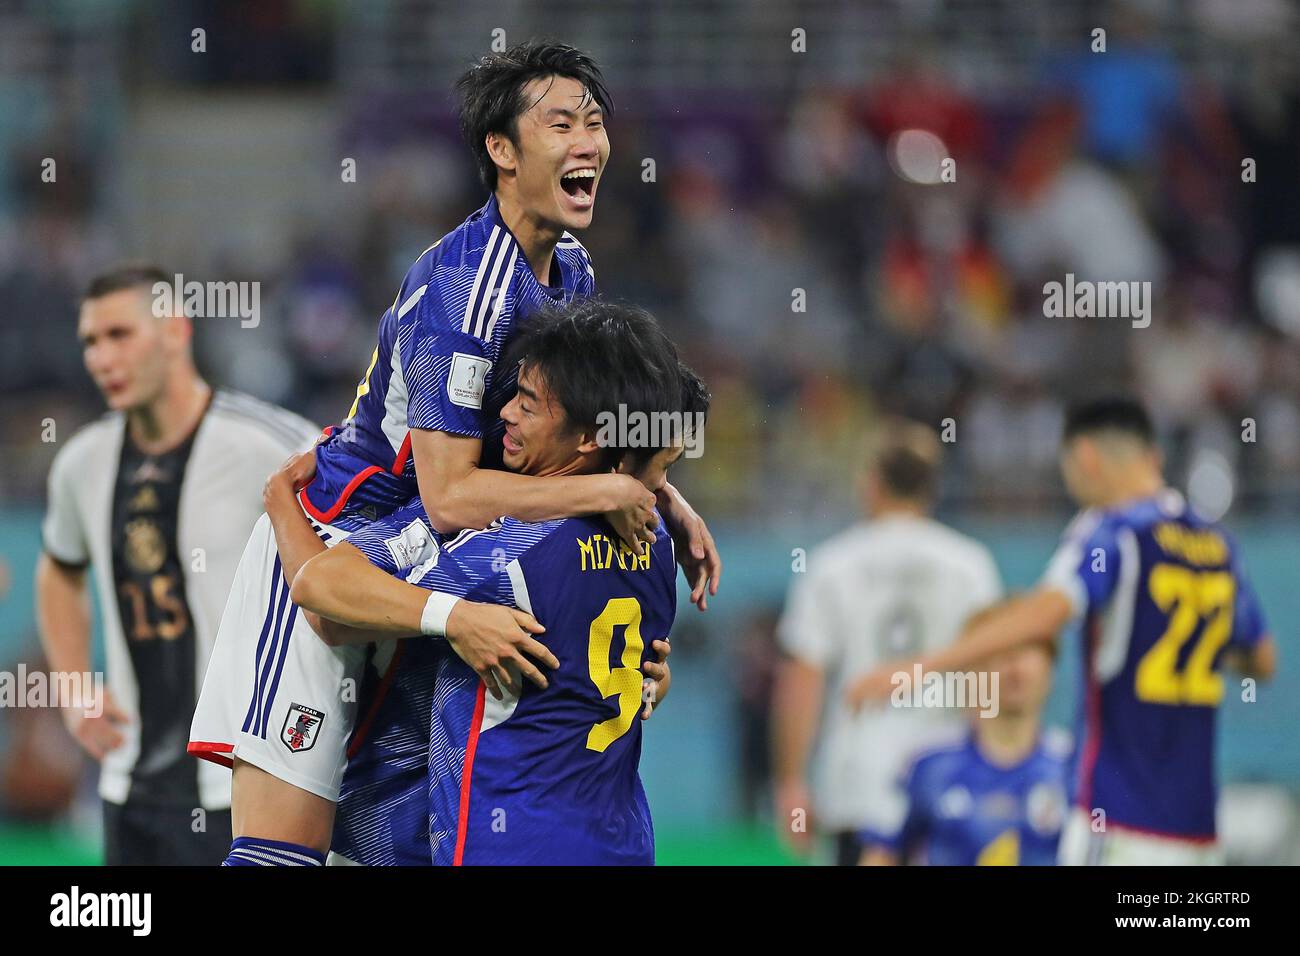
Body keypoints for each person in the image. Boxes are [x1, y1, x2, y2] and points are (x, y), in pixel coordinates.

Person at [189, 40, 720, 867]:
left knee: (395, 838)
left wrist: (667, 499)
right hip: (338, 545)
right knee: (281, 853)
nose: (589, 142)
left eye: (595, 123)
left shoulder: (571, 267)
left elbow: (592, 423)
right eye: (561, 123)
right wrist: (602, 494)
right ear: (501, 152)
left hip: (444, 558)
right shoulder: (461, 288)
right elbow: (448, 497)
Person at [262, 301, 704, 864]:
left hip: (512, 847)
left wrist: (281, 505)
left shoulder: (510, 546)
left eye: (528, 404)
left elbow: (322, 596)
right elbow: (637, 677)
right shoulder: (658, 542)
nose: (507, 417)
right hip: (622, 843)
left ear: (590, 437)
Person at [848, 397, 1278, 865]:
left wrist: (920, 668)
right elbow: (1262, 660)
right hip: (1196, 832)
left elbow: (1046, 614)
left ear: (1085, 457)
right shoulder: (1217, 545)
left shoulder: (1109, 532)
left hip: (1118, 821)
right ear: (1152, 457)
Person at [37, 263, 318, 865]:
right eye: (89, 341)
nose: (99, 358)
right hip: (128, 786)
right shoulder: (82, 464)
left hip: (244, 782)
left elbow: (348, 558)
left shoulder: (273, 445)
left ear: (174, 331)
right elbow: (60, 570)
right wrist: (69, 684)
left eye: (119, 335)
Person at [771, 418, 1003, 865]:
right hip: (945, 780)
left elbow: (802, 680)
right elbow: (984, 675)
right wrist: (987, 765)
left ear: (872, 483)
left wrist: (792, 782)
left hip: (856, 784)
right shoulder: (970, 564)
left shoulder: (830, 564)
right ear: (932, 488)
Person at [859, 639, 1070, 866]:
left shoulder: (1073, 765)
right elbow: (880, 854)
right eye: (1001, 654)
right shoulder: (926, 760)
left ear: (1051, 672)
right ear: (971, 673)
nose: (1014, 666)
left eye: (1027, 652)